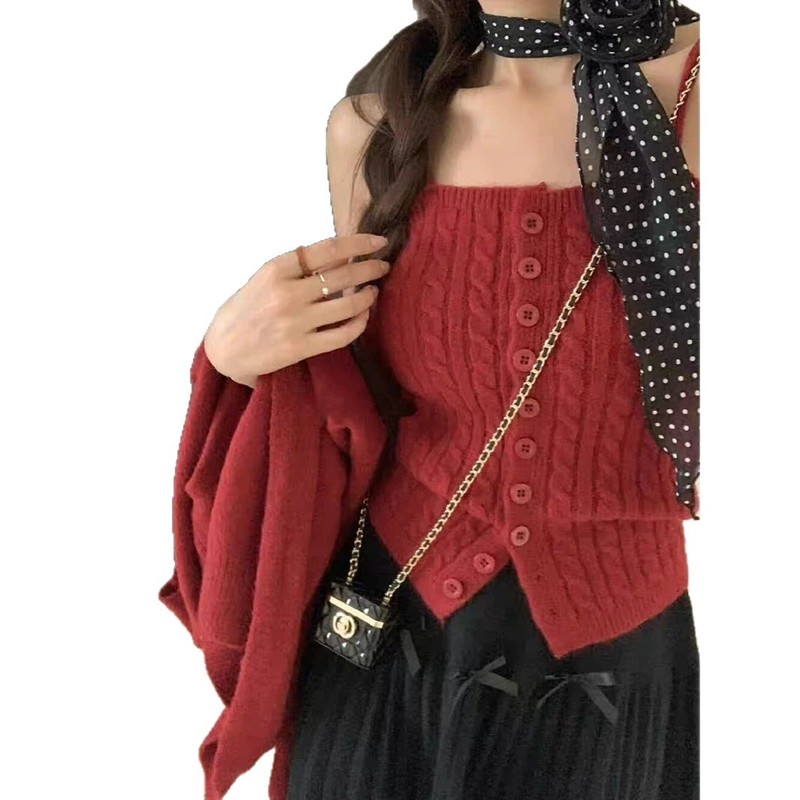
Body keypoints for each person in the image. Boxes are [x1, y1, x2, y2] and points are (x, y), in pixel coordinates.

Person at [160, 2, 701, 798]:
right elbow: (354, 400)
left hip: (609, 671)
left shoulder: (708, 93)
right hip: (379, 651)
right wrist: (229, 358)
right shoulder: (375, 127)